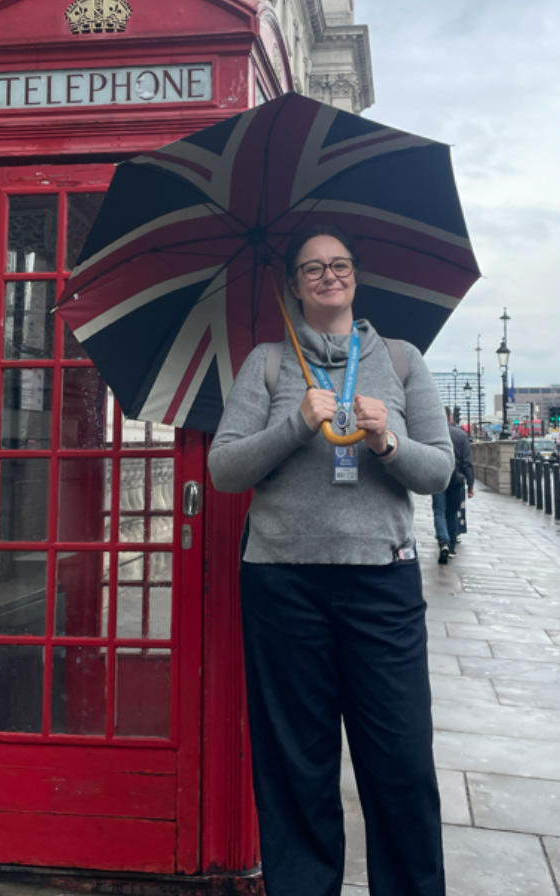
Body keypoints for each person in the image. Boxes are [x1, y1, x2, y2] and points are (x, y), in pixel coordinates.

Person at [208, 225, 454, 896]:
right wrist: (294, 423)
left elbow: (439, 471)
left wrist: (387, 439)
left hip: (382, 583)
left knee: (401, 763)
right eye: (312, 268)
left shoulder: (401, 360)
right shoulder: (266, 362)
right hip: (283, 584)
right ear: (292, 284)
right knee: (297, 768)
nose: (327, 276)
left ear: (356, 276)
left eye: (339, 264)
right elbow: (224, 468)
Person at [432, 409, 475, 563]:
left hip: (437, 477)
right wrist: (470, 484)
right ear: (450, 417)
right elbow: (467, 462)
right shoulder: (460, 435)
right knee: (452, 512)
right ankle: (450, 547)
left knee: (439, 510)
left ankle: (442, 541)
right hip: (456, 479)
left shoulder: (433, 434)